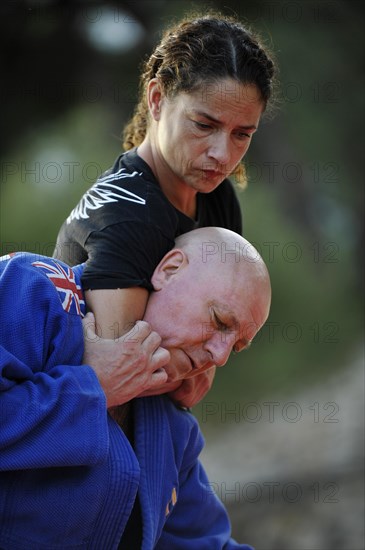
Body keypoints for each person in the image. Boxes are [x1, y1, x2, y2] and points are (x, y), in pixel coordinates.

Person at [53, 12, 276, 408]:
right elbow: (115, 379)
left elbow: (196, 370)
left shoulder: (218, 199)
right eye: (204, 125)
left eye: (242, 134)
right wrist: (187, 367)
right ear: (157, 99)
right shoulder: (128, 215)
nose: (223, 155)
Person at [0, 227, 271, 549]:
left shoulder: (173, 428)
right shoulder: (30, 288)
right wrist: (94, 386)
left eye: (236, 346)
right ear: (169, 269)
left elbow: (203, 542)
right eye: (219, 321)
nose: (221, 356)